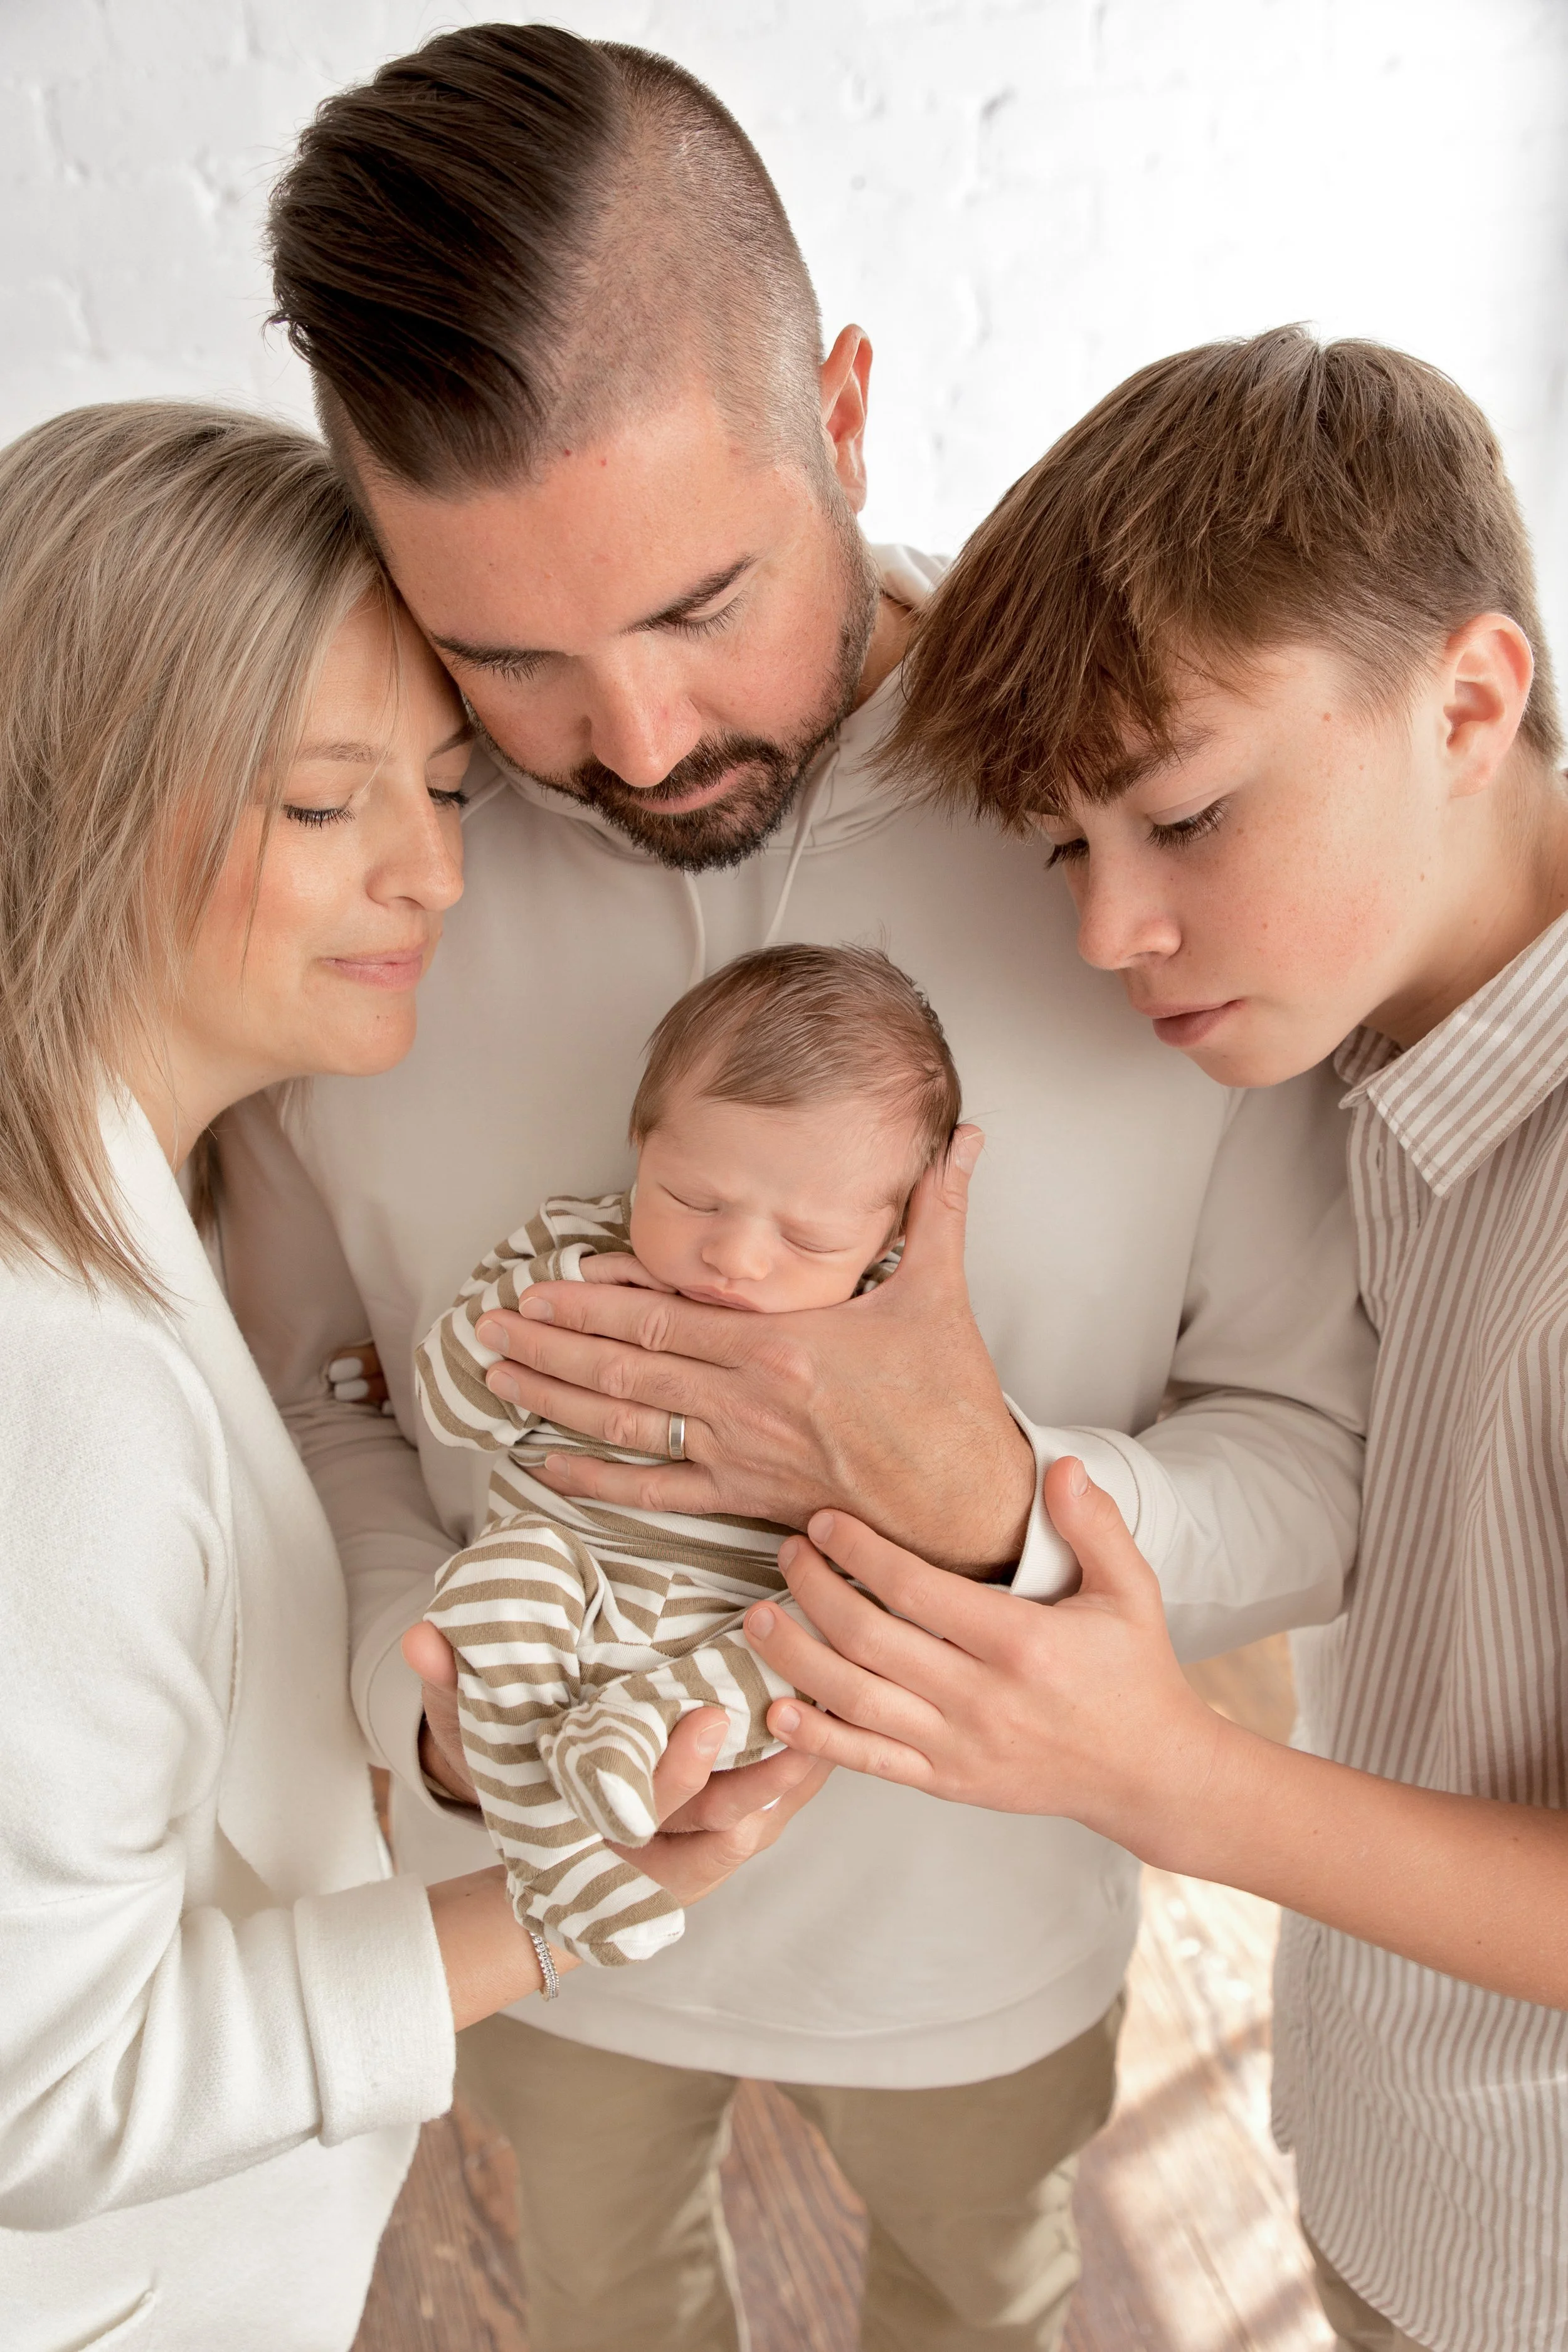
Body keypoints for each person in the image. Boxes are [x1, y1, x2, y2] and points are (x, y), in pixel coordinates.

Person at [225, 24, 1374, 2350]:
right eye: (510, 656)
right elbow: (308, 1379)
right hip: (522, 1917)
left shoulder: (1135, 855)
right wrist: (414, 1687)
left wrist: (1000, 1503)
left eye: (697, 602)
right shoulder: (348, 885)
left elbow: (1317, 1455)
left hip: (995, 1967)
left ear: (844, 410)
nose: (633, 748)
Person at [744, 327, 1568, 2352]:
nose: (1111, 934)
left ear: (1470, 701)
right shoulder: (1372, 1051)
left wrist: (1158, 1771)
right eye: (1070, 849)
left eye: (1187, 819)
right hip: (1415, 2191)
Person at [0, 400, 817, 2352]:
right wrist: (552, 1906)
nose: (431, 877)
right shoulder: (66, 1377)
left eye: (445, 791)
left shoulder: (153, 1212)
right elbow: (42, 2085)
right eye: (320, 803)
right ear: (71, 795)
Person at [416, 944, 960, 1967]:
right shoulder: (571, 1252)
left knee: (825, 1642)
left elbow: (925, 1503)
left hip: (723, 1643)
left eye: (805, 1238)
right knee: (499, 1582)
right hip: (556, 1599)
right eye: (696, 1199)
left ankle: (631, 1727)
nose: (736, 1257)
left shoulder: (877, 1346)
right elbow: (443, 1403)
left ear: (888, 1245)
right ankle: (555, 1862)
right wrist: (523, 1320)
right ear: (641, 1143)